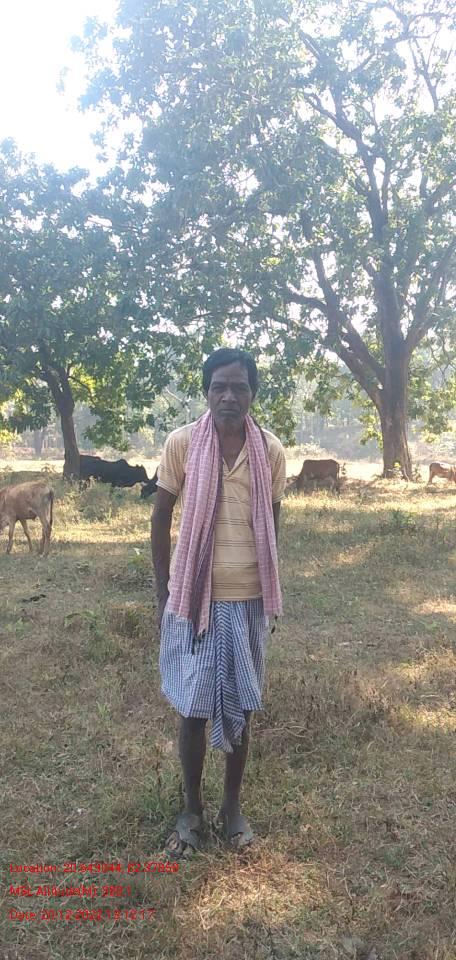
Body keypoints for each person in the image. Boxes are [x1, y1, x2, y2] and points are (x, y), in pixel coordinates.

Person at [151, 348, 286, 857]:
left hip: (248, 598)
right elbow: (160, 517)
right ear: (207, 392)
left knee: (243, 706)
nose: (229, 396)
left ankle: (232, 808)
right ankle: (192, 809)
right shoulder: (182, 443)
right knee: (192, 708)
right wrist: (166, 593)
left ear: (252, 394)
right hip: (194, 598)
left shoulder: (269, 449)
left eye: (239, 387)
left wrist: (268, 585)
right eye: (220, 387)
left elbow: (272, 521)